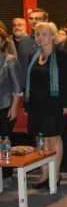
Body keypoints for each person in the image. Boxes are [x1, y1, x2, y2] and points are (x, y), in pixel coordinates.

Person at [25, 22, 67, 190]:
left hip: (54, 104)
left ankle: (56, 173)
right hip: (36, 105)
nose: (41, 38)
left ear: (53, 36)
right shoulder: (32, 55)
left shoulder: (63, 55)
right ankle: (44, 173)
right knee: (40, 139)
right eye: (38, 34)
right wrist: (27, 103)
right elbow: (28, 82)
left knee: (53, 138)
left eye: (44, 34)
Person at [0, 29, 22, 188]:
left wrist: (14, 107)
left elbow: (17, 87)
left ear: (2, 42)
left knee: (5, 140)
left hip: (6, 106)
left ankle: (6, 174)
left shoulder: (10, 60)